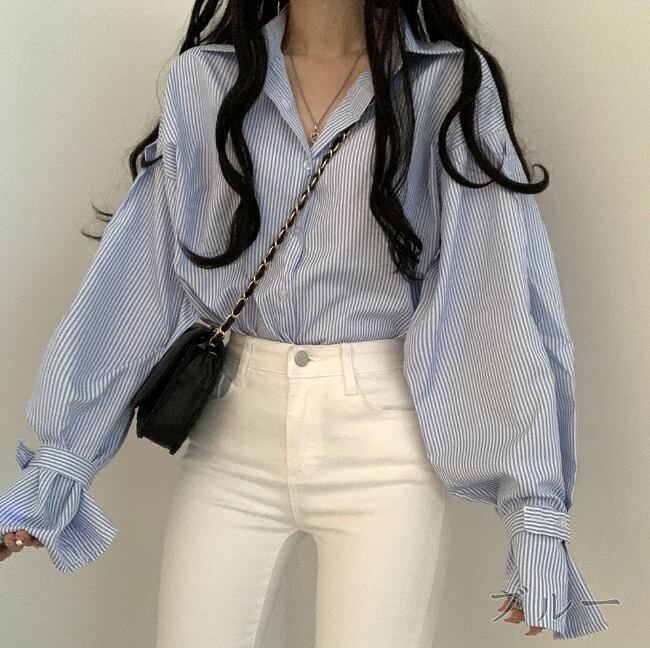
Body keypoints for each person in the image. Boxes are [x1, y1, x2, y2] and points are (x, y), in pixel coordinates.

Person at [0, 0, 608, 644]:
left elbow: (497, 293)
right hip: (231, 439)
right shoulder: (206, 80)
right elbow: (138, 279)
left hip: (384, 447)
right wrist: (59, 467)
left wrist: (534, 519)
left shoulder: (446, 86)